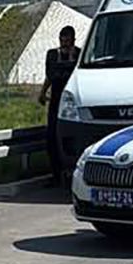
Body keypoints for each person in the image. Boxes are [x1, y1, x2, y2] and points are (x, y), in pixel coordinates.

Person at [39, 25, 81, 187]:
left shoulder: (78, 54)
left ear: (73, 40)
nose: (64, 43)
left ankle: (72, 172)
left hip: (71, 101)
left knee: (70, 136)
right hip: (56, 100)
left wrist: (71, 58)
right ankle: (56, 174)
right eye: (62, 39)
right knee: (51, 137)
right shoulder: (52, 55)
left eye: (67, 40)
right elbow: (50, 76)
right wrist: (43, 93)